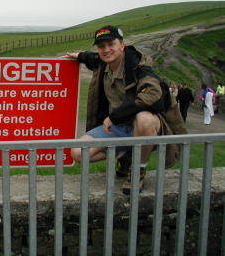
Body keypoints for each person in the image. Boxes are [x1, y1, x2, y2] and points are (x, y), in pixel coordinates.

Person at [62, 25, 187, 194]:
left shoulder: (139, 67)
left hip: (148, 129)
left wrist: (115, 116)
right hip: (119, 129)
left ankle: (138, 169)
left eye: (111, 44)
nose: (106, 50)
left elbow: (154, 95)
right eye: (101, 46)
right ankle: (126, 155)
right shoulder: (102, 63)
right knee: (78, 153)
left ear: (122, 45)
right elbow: (93, 58)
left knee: (144, 118)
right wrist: (78, 56)